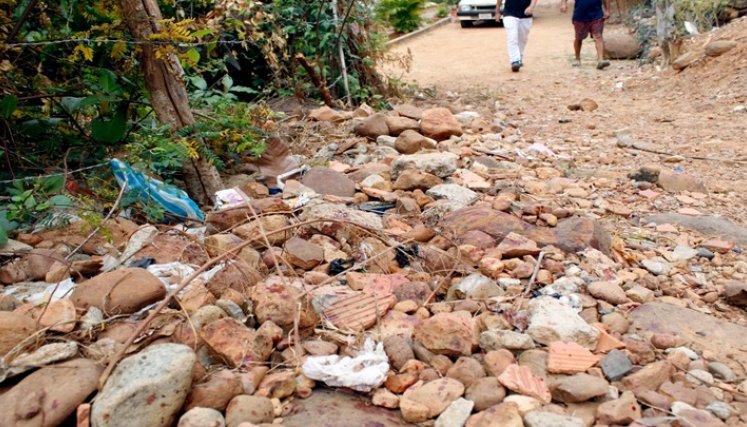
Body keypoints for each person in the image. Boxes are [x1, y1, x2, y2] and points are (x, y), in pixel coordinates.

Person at [560, 0, 611, 69]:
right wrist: (564, 4)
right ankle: (577, 59)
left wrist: (607, 10)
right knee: (579, 38)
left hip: (597, 15)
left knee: (598, 36)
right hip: (580, 15)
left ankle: (600, 60)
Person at [496, 0, 539, 72]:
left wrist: (531, 7)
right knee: (512, 37)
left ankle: (519, 56)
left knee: (522, 39)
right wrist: (498, 11)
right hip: (509, 13)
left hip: (525, 15)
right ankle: (515, 61)